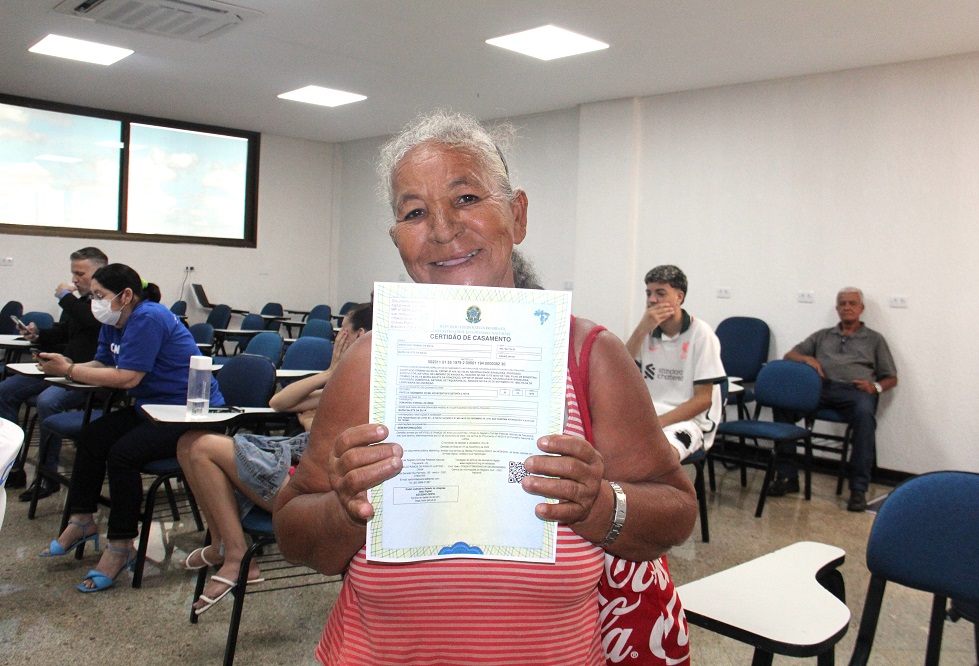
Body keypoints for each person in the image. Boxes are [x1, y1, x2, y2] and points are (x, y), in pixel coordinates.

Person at [273, 111, 697, 666]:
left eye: (467, 198)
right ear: (396, 238)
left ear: (517, 215)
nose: (443, 229)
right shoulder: (371, 362)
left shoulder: (590, 357)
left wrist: (598, 503)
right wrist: (345, 509)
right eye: (415, 212)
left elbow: (675, 513)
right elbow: (295, 530)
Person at [37, 263, 224, 592]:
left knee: (123, 455)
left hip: (189, 412)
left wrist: (70, 371)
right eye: (92, 295)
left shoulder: (148, 317)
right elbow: (104, 364)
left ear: (126, 295)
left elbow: (128, 377)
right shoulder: (113, 321)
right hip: (153, 408)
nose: (94, 301)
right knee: (93, 437)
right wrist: (68, 367)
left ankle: (121, 545)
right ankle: (82, 520)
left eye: (100, 295)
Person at [176, 302, 372, 616]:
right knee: (187, 443)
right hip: (288, 462)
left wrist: (312, 423)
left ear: (359, 336)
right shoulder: (342, 383)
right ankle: (219, 545)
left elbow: (329, 447)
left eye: (342, 333)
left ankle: (238, 555)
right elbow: (279, 402)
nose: (337, 338)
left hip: (304, 484)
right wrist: (331, 373)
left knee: (202, 448)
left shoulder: (370, 391)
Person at [769, 287, 897, 512]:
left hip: (856, 392)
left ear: (861, 309)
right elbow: (790, 355)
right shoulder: (823, 335)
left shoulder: (875, 339)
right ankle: (787, 477)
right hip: (822, 388)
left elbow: (891, 377)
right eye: (842, 303)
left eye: (852, 303)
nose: (847, 307)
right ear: (837, 308)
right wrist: (807, 359)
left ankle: (858, 490)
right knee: (783, 406)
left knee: (865, 419)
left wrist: (874, 387)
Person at [1, 247, 107, 499]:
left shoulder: (105, 304)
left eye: (80, 273)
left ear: (100, 272)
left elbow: (92, 321)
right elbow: (64, 333)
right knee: (5, 391)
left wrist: (65, 298)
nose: (74, 279)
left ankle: (47, 476)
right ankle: (11, 466)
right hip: (61, 369)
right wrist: (38, 335)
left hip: (88, 376)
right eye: (73, 273)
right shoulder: (80, 302)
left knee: (48, 401)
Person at [624, 265, 727, 462]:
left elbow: (703, 400)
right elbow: (621, 371)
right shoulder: (645, 332)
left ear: (679, 297)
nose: (652, 300)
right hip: (649, 416)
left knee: (659, 457)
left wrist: (658, 423)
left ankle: (668, 493)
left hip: (687, 421)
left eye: (660, 293)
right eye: (649, 293)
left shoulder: (701, 333)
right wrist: (640, 330)